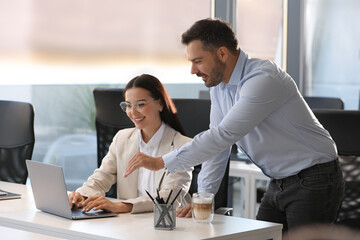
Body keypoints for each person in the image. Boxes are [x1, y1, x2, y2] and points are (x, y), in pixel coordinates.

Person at [123, 18, 344, 231]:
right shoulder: (220, 87)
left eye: (198, 61)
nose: (192, 70)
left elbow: (224, 135)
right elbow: (217, 144)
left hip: (314, 179)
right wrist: (205, 198)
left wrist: (162, 161)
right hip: (280, 181)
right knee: (261, 237)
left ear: (222, 53)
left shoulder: (262, 78)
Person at [68, 74, 192, 214]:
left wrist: (123, 206)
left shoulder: (183, 146)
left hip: (168, 224)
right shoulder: (122, 138)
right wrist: (81, 196)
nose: (133, 112)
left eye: (140, 104)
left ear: (160, 104)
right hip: (129, 224)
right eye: (128, 105)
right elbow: (102, 177)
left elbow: (170, 197)